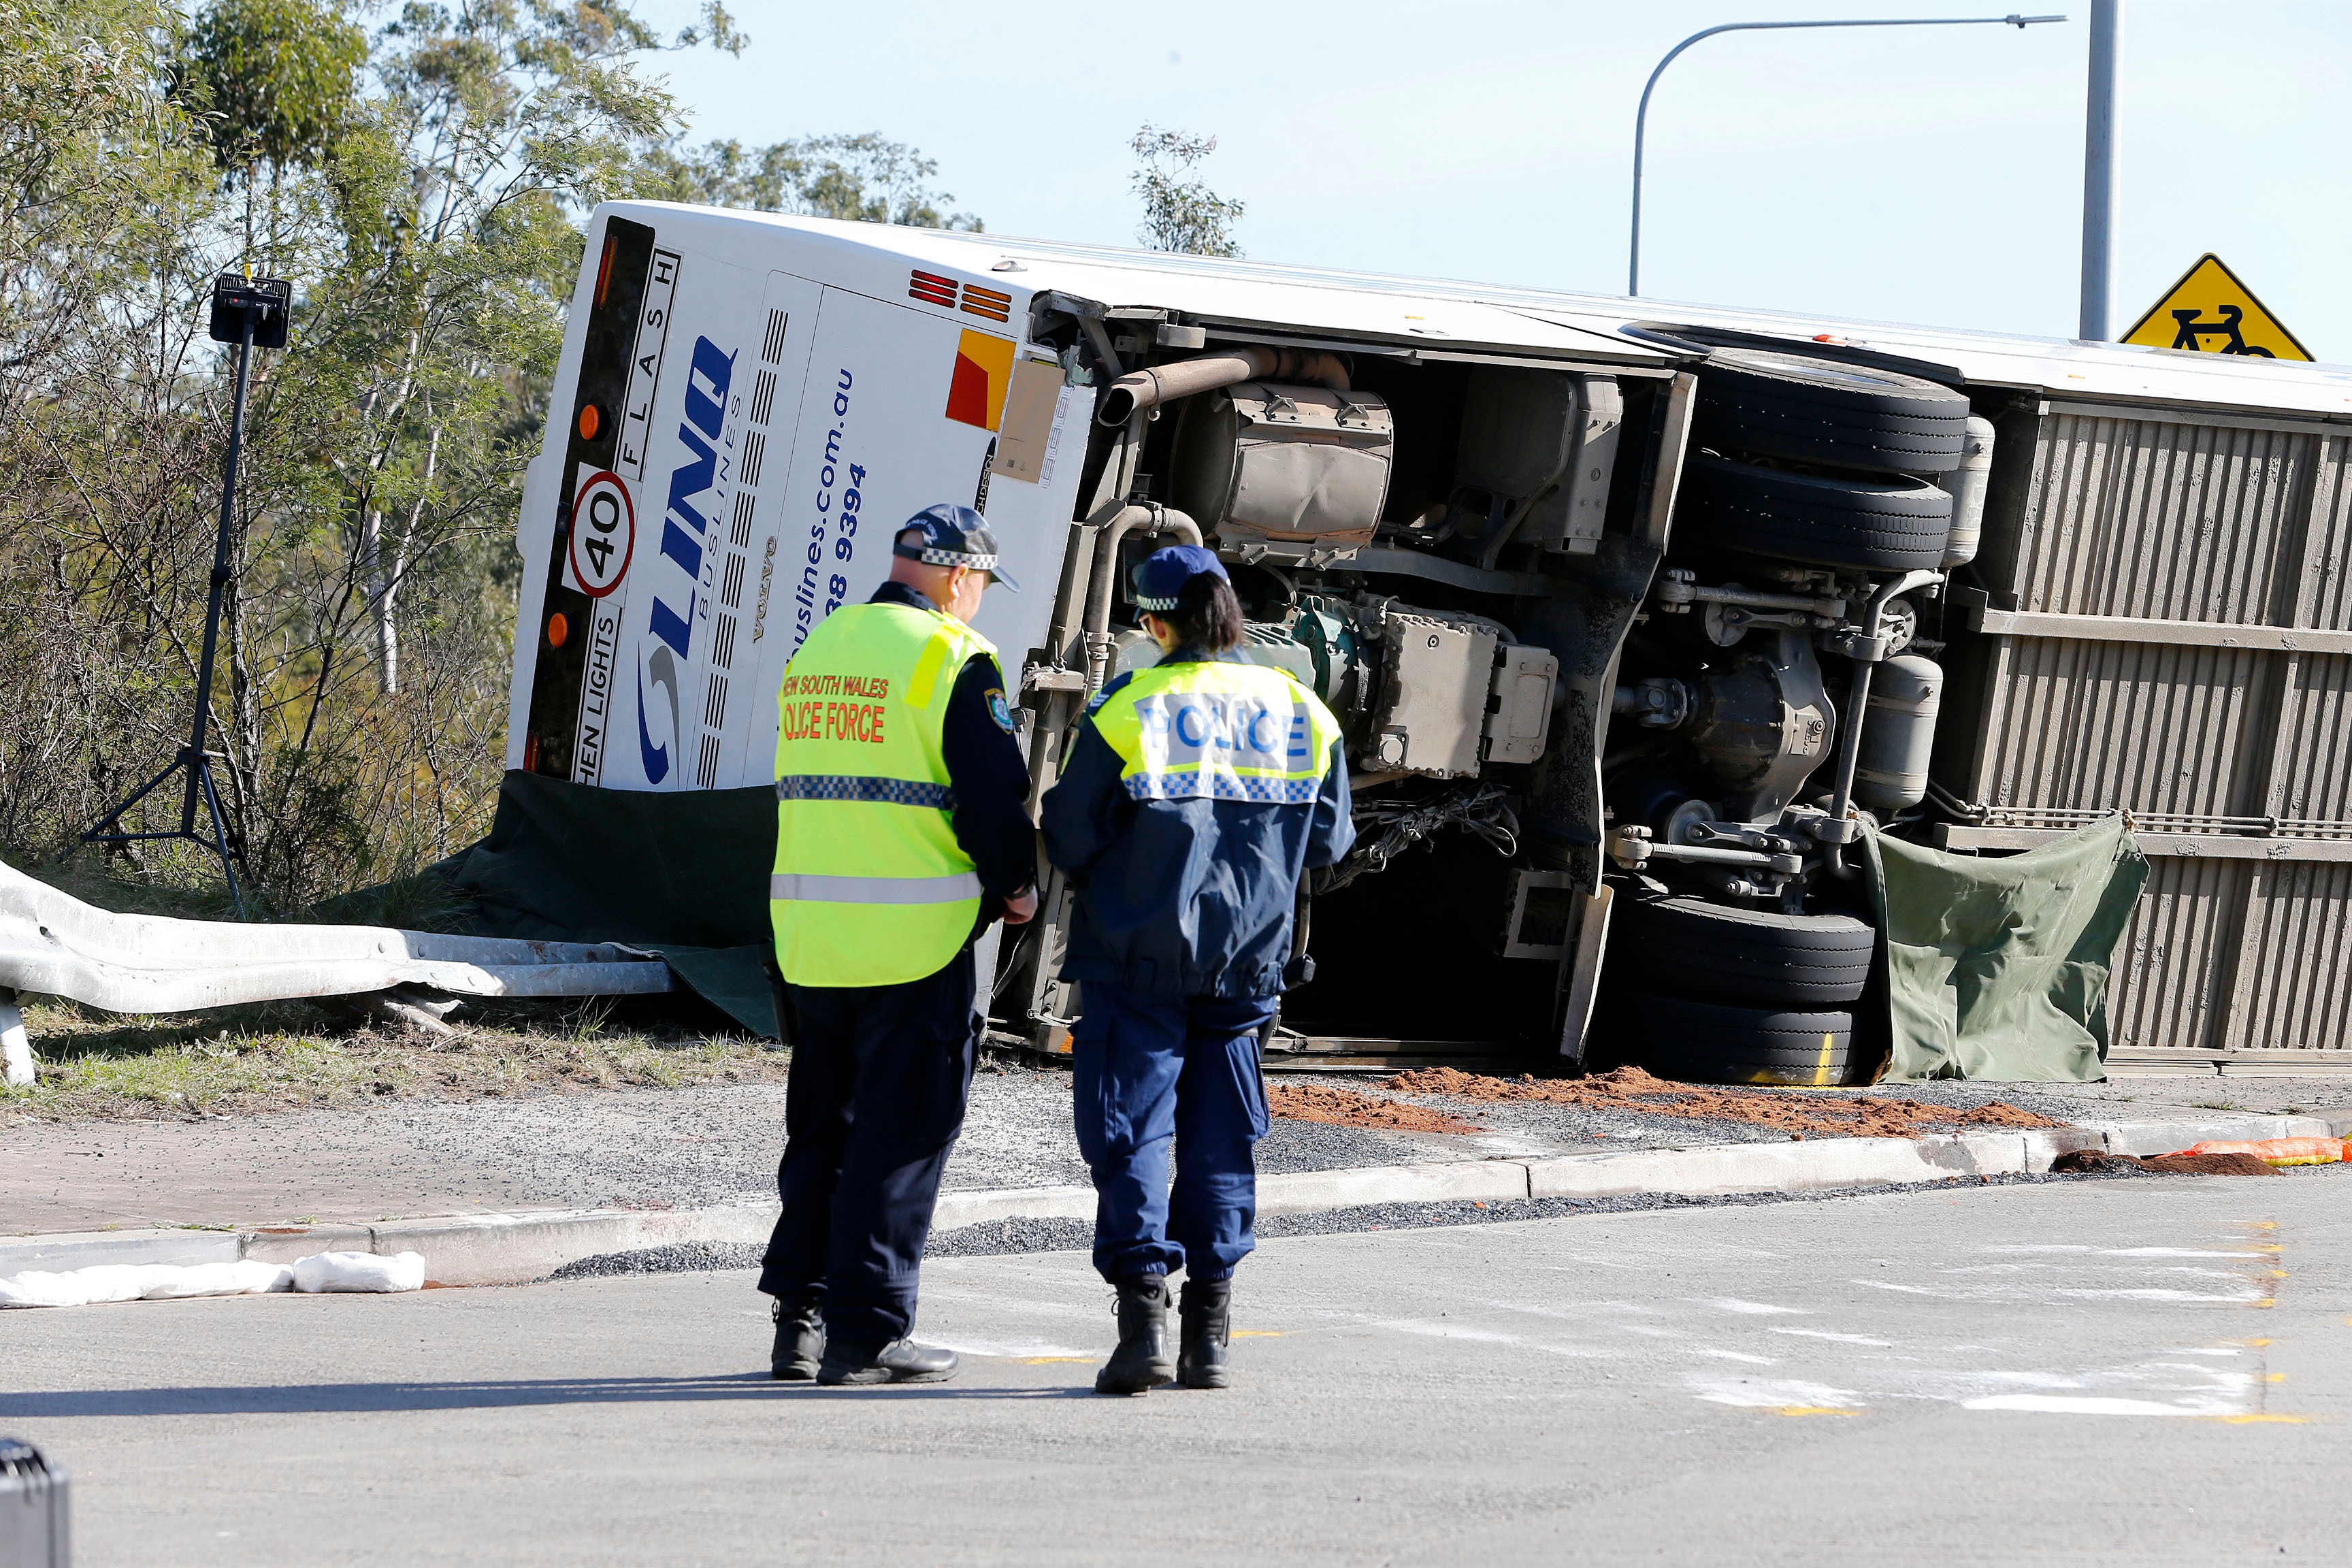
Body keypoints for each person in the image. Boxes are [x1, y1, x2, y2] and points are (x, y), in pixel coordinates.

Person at [1041, 545, 1354, 1394]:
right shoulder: (1302, 710)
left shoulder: (1131, 708)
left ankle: (1143, 1323)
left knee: (1134, 1131)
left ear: (1154, 622)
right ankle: (1210, 1334)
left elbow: (1069, 831)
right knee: (1222, 1139)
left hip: (1136, 961)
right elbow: (1328, 843)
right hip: (1249, 968)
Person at [761, 504, 1039, 1387]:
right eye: (983, 585)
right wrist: (1017, 885)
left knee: (822, 1129)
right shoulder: (952, 659)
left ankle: (798, 1322)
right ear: (960, 577)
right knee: (903, 1131)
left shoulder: (824, 646)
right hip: (912, 941)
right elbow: (992, 798)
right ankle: (869, 1330)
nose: (980, 601)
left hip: (811, 937)